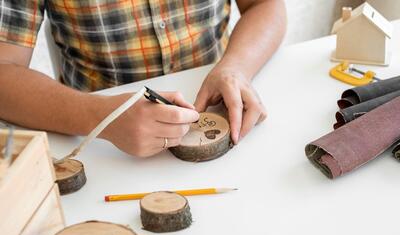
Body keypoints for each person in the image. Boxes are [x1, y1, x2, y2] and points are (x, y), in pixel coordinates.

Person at [0, 0, 286, 157]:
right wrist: (100, 116)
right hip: (102, 149)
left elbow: (265, 5)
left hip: (218, 106)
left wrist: (235, 67)